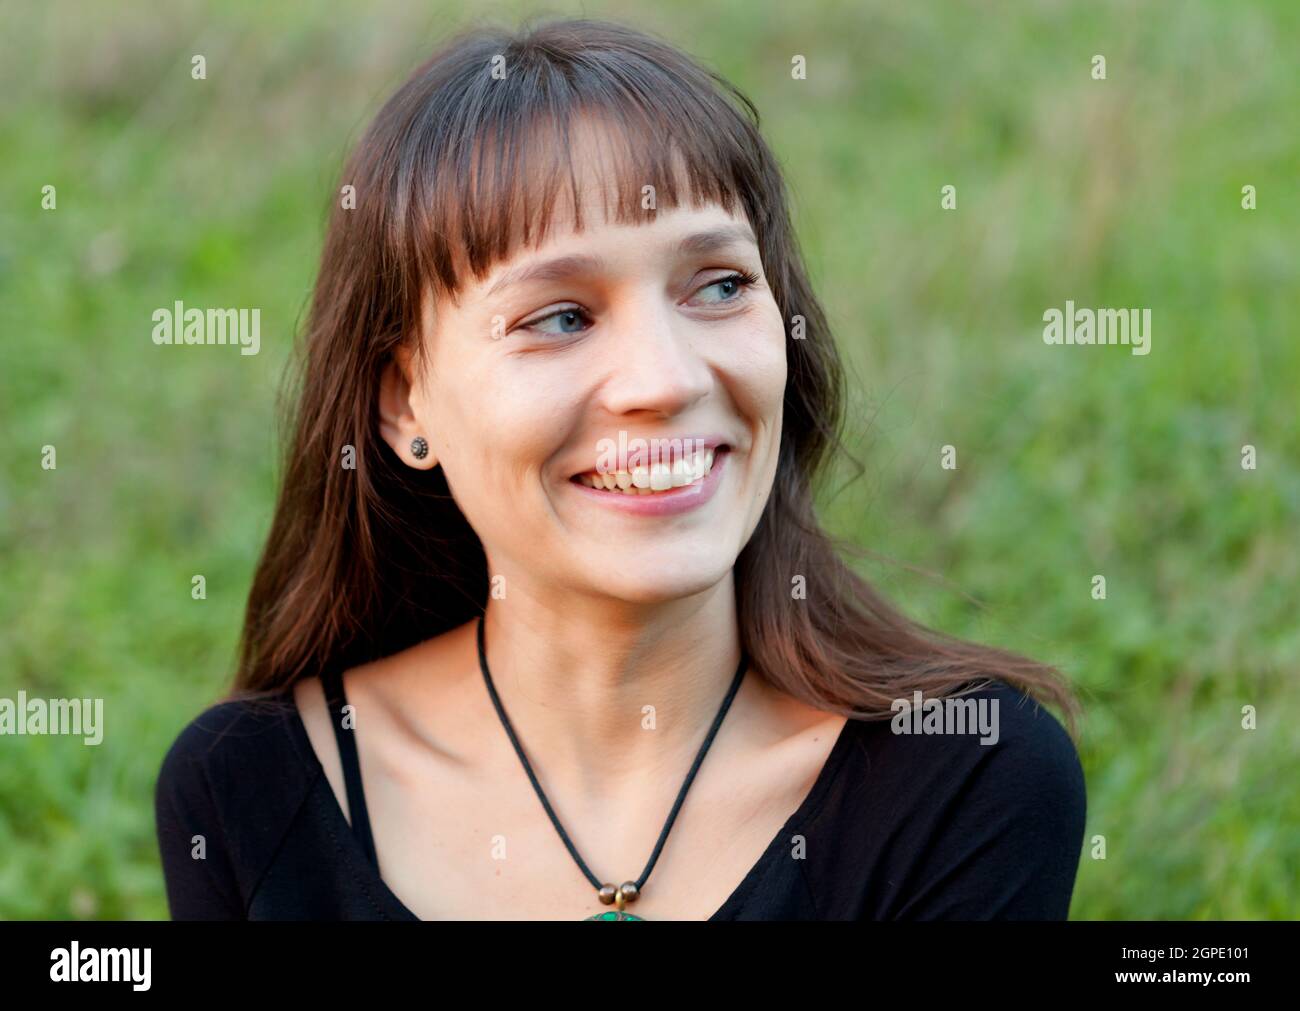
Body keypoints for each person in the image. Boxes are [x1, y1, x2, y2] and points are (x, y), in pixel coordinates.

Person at [155, 16, 1086, 921]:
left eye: (718, 286)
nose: (666, 379)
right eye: (560, 316)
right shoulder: (252, 793)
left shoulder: (966, 780)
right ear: (405, 404)